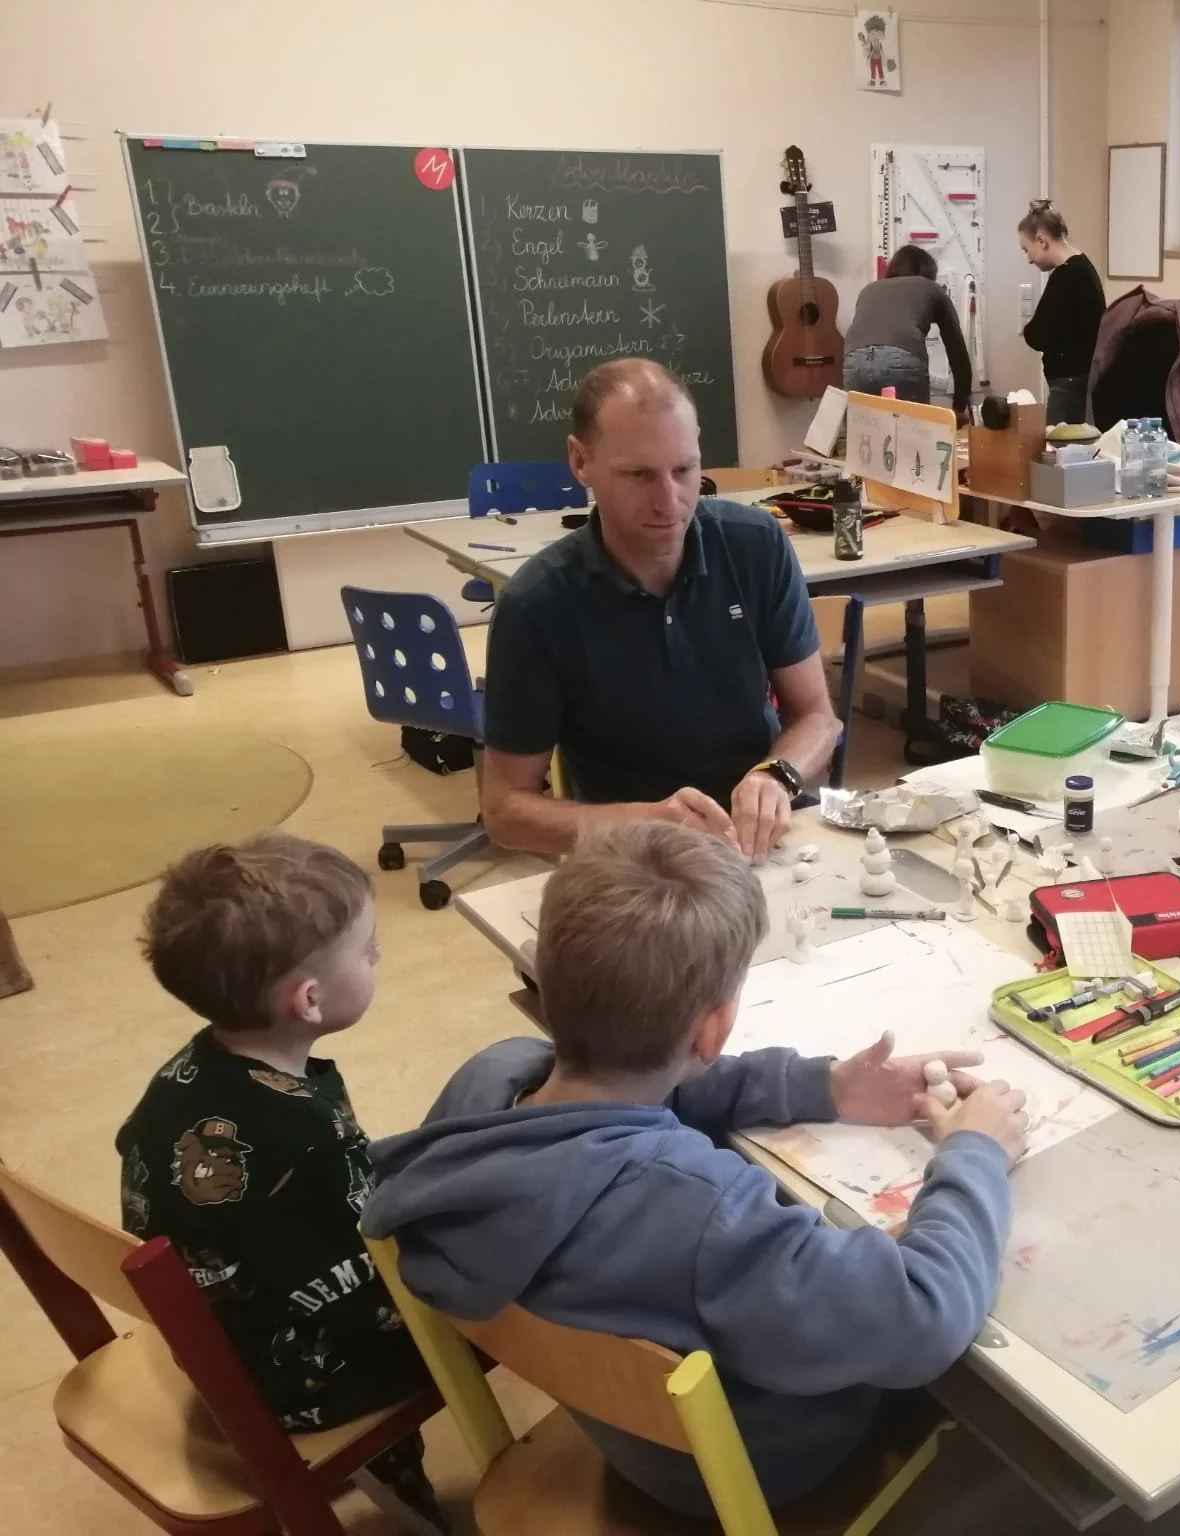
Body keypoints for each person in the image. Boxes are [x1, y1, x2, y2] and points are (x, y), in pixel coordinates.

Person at [363, 822, 1027, 1518]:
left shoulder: (491, 1078)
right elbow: (926, 1315)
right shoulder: (708, 1218)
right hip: (762, 1469)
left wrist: (822, 1087)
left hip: (632, 1438)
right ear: (713, 1030)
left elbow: (637, 1092)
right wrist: (975, 1153)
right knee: (988, 1390)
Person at [116, 834, 441, 1522]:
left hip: (212, 1342)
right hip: (293, 1381)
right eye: (369, 948)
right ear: (310, 1000)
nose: (379, 954)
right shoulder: (307, 1142)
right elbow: (372, 1283)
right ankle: (408, 1496)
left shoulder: (184, 1075)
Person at [480, 358, 839, 864]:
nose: (669, 503)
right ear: (580, 461)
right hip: (633, 856)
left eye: (685, 470)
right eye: (638, 475)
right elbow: (504, 810)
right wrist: (648, 822)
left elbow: (817, 717)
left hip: (760, 840)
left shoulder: (756, 545)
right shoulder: (537, 605)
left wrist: (777, 775)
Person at [842, 245, 974, 423]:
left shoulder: (869, 289)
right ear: (928, 272)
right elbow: (957, 353)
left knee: (865, 435)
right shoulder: (931, 288)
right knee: (913, 434)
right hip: (900, 357)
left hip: (854, 361)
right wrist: (959, 407)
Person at [1017, 200, 1104, 425]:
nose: (1029, 259)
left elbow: (1038, 335)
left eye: (1027, 250)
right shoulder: (1083, 267)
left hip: (1069, 384)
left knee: (1059, 443)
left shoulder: (1066, 276)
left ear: (1041, 240)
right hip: (1080, 379)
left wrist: (1028, 330)